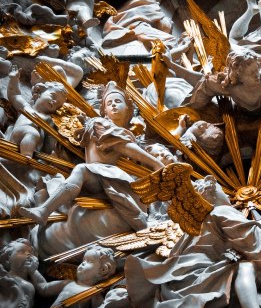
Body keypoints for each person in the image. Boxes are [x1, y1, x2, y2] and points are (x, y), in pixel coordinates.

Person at [125, 170, 261, 308]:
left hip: (179, 281)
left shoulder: (194, 226)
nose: (227, 195)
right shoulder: (220, 210)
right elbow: (247, 235)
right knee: (245, 267)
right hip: (201, 272)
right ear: (213, 195)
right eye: (222, 191)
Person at [18, 81, 164, 229]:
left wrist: (156, 163)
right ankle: (45, 209)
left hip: (110, 176)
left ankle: (44, 210)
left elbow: (124, 147)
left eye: (118, 101)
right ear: (105, 111)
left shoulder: (121, 134)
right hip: (97, 175)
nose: (113, 105)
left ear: (128, 109)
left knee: (82, 169)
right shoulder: (98, 123)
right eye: (109, 103)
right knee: (75, 173)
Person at [0, 239, 70, 308]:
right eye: (22, 251)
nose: (28, 254)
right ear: (7, 259)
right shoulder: (5, 277)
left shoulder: (31, 279)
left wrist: (33, 271)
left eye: (30, 252)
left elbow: (44, 288)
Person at [40, 245, 117, 308]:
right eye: (83, 260)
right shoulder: (68, 283)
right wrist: (32, 271)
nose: (83, 263)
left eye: (89, 261)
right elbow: (44, 289)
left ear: (103, 270)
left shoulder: (93, 292)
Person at [7, 67, 67, 157]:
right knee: (31, 132)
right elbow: (15, 95)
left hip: (34, 146)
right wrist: (13, 79)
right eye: (53, 96)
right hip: (15, 136)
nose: (54, 101)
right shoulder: (26, 107)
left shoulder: (49, 119)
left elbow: (50, 140)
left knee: (32, 133)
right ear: (40, 92)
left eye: (58, 104)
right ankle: (26, 157)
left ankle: (27, 157)